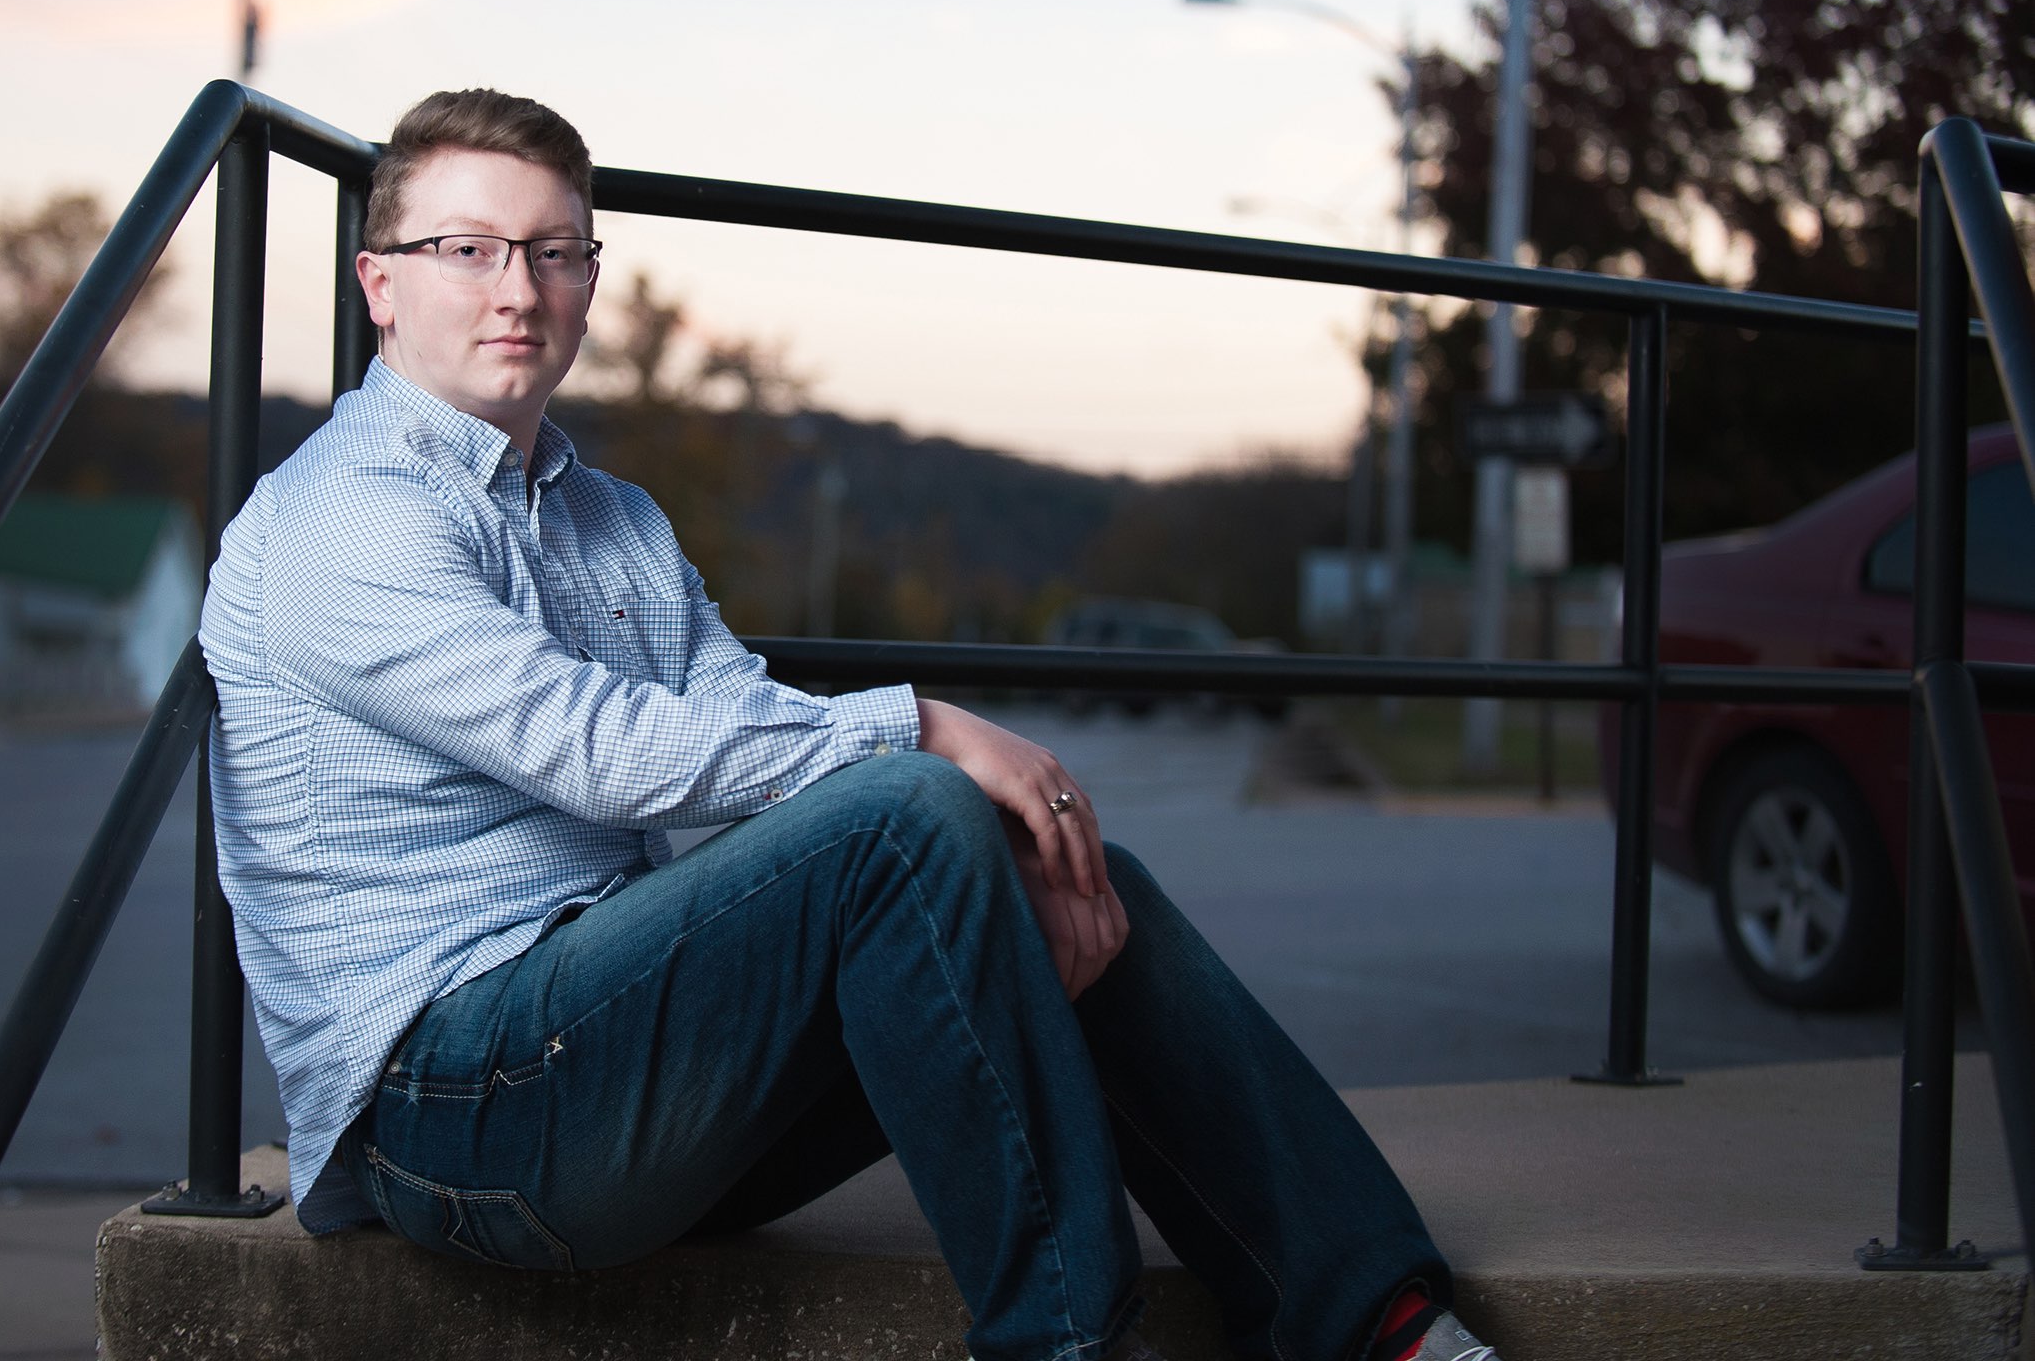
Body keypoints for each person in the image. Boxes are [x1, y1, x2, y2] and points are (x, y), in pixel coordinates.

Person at [199, 88, 1502, 1361]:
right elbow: (596, 751)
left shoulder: (614, 521)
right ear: (380, 284)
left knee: (1072, 884)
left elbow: (732, 740)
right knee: (908, 812)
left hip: (629, 1076)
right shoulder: (346, 518)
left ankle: (1378, 1324)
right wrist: (927, 726)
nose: (517, 290)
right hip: (458, 1121)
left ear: (593, 277)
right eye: (467, 250)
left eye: (556, 252)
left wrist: (968, 796)